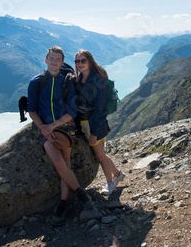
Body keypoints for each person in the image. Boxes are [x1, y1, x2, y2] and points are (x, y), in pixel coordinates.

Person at [27, 46, 93, 226]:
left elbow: (71, 112)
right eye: (51, 58)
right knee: (58, 162)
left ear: (62, 62)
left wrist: (51, 126)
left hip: (64, 126)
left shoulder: (67, 82)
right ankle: (81, 194)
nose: (54, 62)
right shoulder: (36, 82)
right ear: (46, 60)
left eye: (58, 59)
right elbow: (31, 109)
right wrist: (43, 128)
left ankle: (62, 203)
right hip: (45, 129)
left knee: (66, 164)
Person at [74, 49, 125, 196]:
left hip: (95, 124)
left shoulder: (98, 81)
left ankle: (110, 183)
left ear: (90, 61)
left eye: (83, 60)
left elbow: (101, 110)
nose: (80, 64)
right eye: (77, 61)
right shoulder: (79, 80)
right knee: (101, 153)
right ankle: (117, 174)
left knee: (100, 156)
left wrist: (94, 133)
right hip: (83, 123)